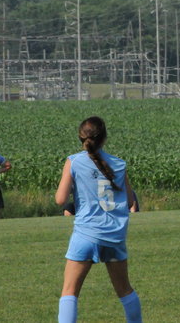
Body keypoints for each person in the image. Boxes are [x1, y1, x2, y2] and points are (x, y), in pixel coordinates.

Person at [55, 116, 142, 323]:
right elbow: (130, 201)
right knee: (125, 290)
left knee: (70, 291)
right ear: (104, 138)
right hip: (114, 235)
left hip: (86, 233)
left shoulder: (74, 161)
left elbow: (60, 199)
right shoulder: (119, 164)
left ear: (81, 137)